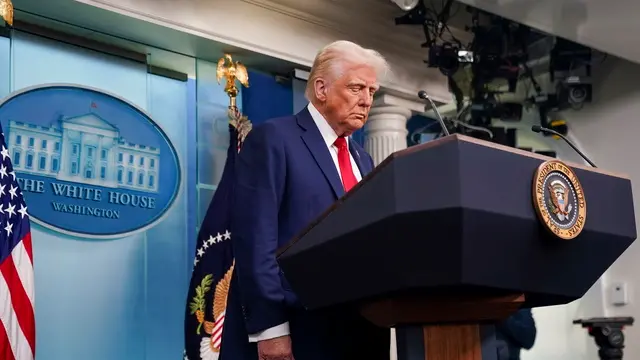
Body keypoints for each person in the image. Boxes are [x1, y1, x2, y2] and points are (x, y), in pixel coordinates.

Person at [219, 40, 391, 360]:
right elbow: (255, 242)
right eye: (357, 88)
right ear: (321, 88)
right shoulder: (274, 139)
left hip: (357, 331)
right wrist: (272, 330)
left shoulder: (363, 159)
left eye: (372, 91)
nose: (367, 101)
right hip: (296, 332)